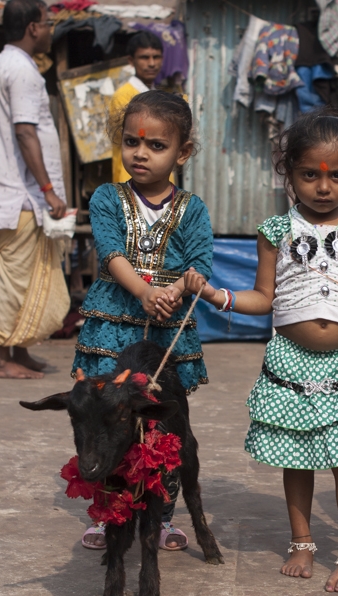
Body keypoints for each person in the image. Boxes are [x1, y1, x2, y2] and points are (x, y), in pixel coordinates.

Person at [185, 110, 338, 593]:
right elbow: (264, 297)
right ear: (289, 173)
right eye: (310, 174)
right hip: (289, 362)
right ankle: (302, 542)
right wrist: (216, 295)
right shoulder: (276, 231)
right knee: (298, 456)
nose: (324, 187)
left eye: (337, 175)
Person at [73, 90, 212, 553]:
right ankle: (109, 514)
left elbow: (200, 263)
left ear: (183, 152)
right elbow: (110, 252)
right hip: (114, 325)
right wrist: (144, 291)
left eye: (156, 146)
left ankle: (164, 515)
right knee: (109, 420)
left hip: (166, 333)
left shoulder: (192, 209)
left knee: (159, 423)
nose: (141, 153)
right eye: (132, 142)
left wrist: (178, 288)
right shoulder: (107, 198)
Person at [0, 0, 69, 380]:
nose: (49, 30)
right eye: (47, 23)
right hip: (18, 196)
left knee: (24, 276)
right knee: (14, 277)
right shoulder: (22, 71)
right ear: (32, 27)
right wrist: (48, 191)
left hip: (7, 194)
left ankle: (19, 351)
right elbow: (26, 132)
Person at [109, 31, 163, 183]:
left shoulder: (159, 96)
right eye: (144, 57)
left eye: (156, 57)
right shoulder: (123, 96)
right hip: (131, 181)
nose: (152, 63)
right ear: (131, 60)